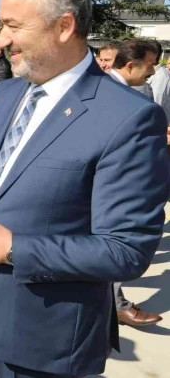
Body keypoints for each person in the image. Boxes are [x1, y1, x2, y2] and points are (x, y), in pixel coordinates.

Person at [0, 0, 169, 377]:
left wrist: (9, 249)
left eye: (13, 25)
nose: (2, 39)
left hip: (45, 344)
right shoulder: (4, 95)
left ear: (64, 26)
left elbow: (125, 249)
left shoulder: (129, 117)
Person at [104, 39, 165, 327]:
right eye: (150, 66)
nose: (153, 72)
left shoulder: (109, 89)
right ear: (130, 65)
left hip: (108, 187)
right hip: (115, 191)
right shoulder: (125, 99)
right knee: (116, 246)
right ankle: (114, 306)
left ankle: (114, 303)